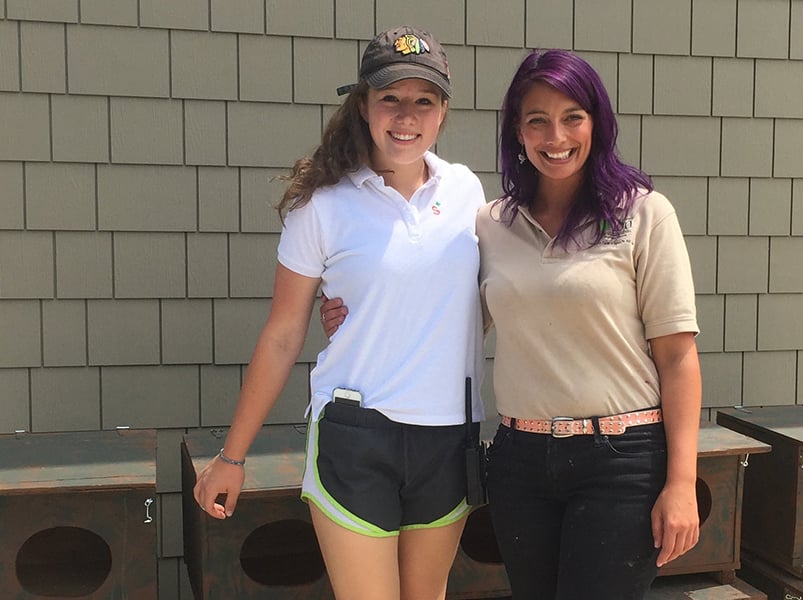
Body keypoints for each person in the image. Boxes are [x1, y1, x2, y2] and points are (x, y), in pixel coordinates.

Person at [321, 49, 702, 599]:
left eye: (573, 117)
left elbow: (677, 357)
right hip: (520, 462)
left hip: (621, 461)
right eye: (537, 121)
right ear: (517, 133)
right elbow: (446, 316)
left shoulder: (643, 214)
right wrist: (354, 311)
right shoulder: (492, 224)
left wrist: (682, 482)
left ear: (597, 122)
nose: (556, 136)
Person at [193, 25, 486, 600]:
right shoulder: (322, 205)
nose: (406, 116)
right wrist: (232, 456)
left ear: (443, 111)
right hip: (357, 434)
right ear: (363, 105)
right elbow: (283, 334)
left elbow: (481, 303)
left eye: (424, 101)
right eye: (390, 98)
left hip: (450, 436)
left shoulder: (467, 192)